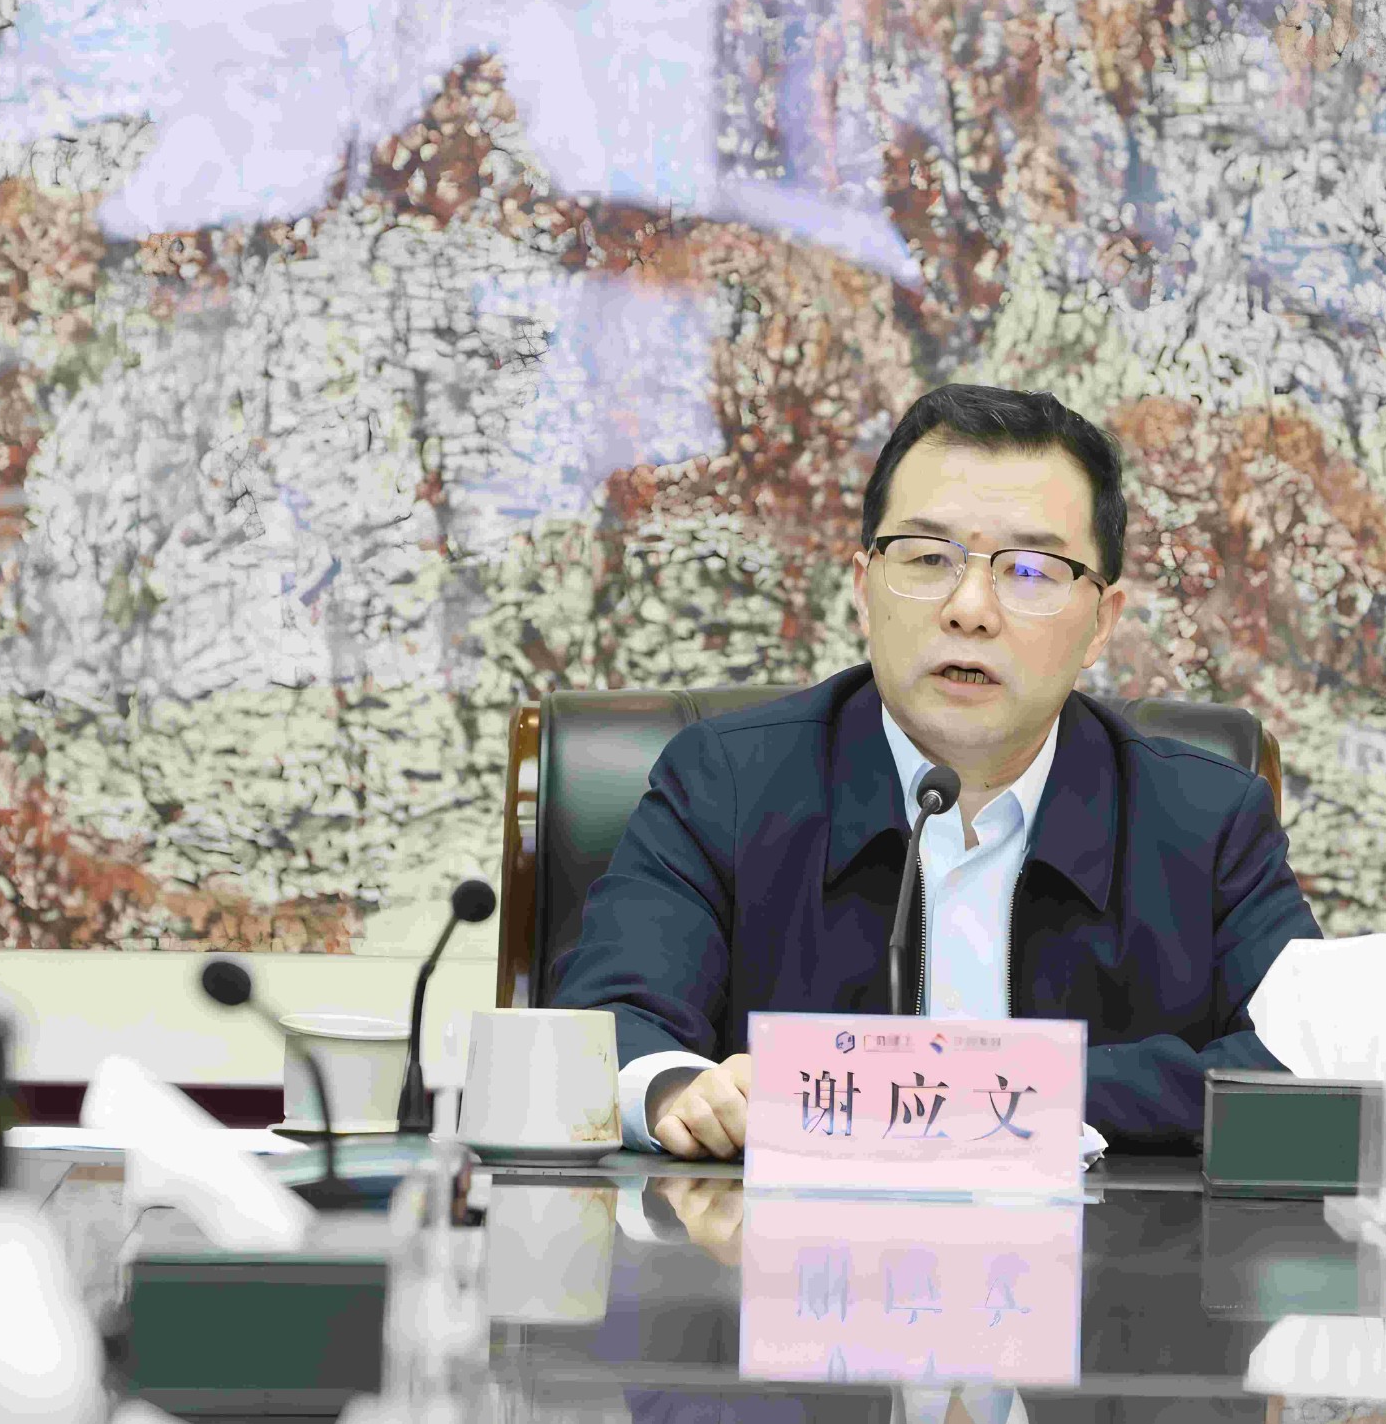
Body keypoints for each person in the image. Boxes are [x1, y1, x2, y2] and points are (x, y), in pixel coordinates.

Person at [548, 383, 1321, 1156]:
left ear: (1100, 624)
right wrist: (680, 1092)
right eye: (927, 558)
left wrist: (1002, 1095)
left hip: (1107, 1237)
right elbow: (609, 1026)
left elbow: (1304, 1062)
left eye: (1030, 570)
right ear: (864, 590)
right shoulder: (726, 784)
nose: (970, 608)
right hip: (779, 1233)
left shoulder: (1206, 822)